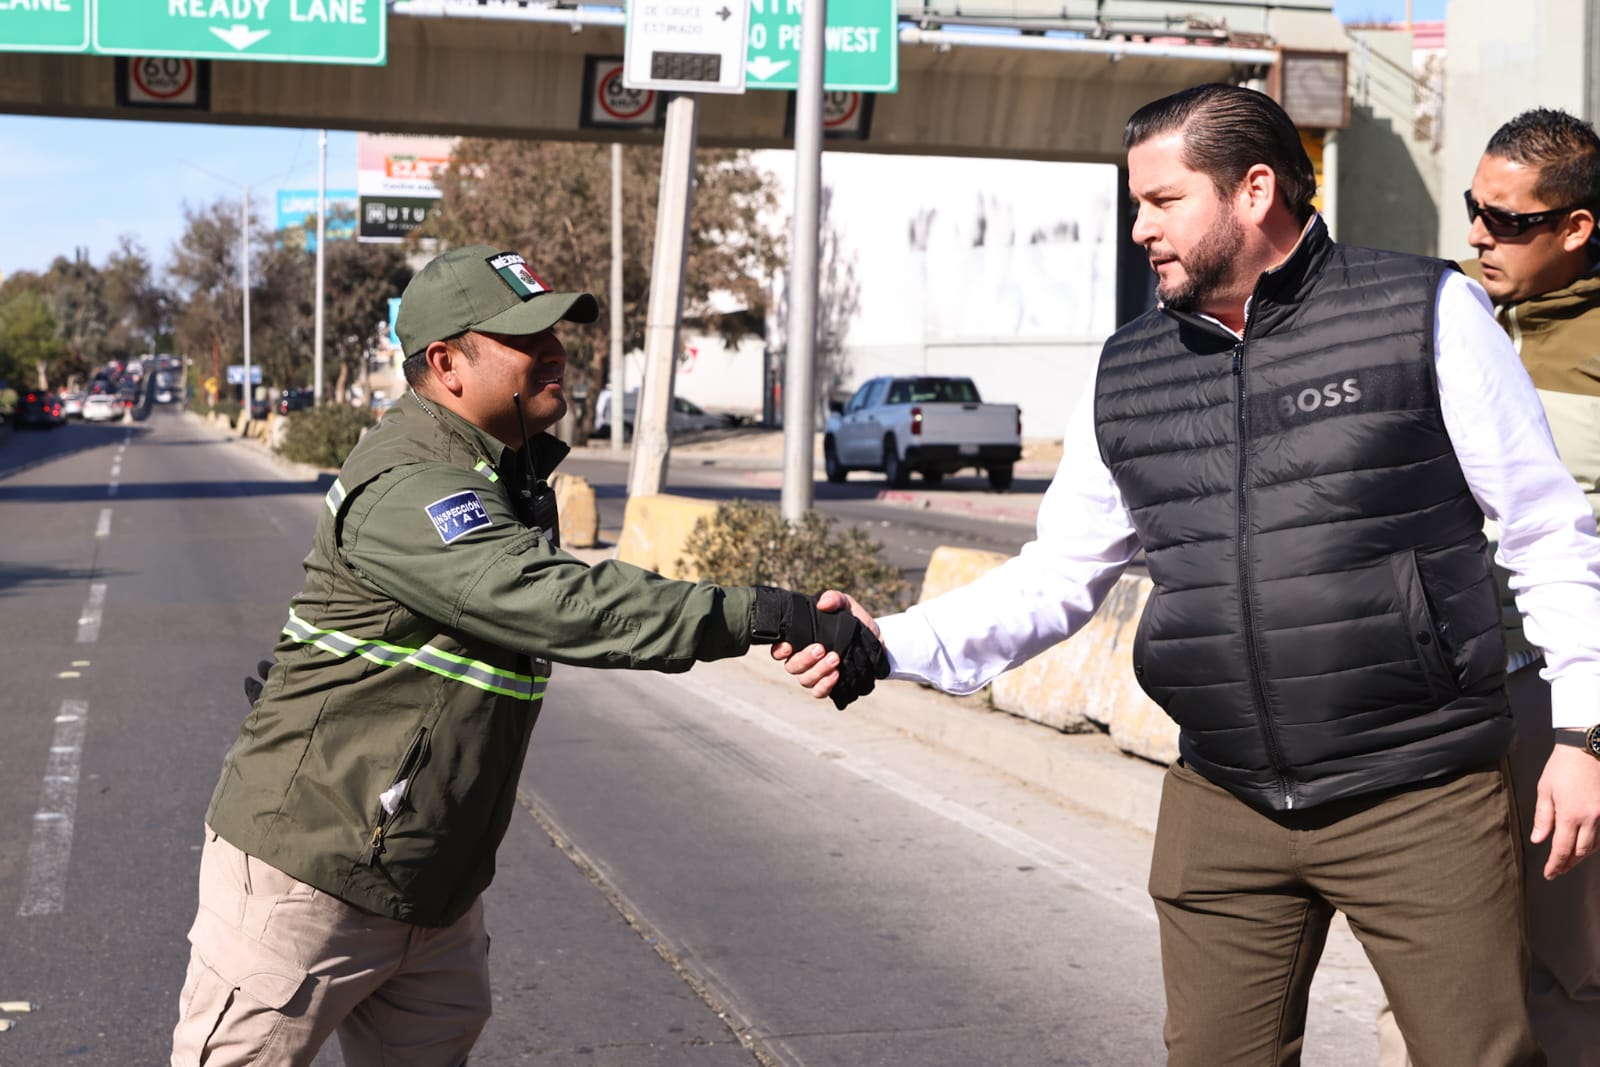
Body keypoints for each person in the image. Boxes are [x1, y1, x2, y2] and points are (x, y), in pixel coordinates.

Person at [779, 84, 1600, 1066]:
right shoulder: (1128, 368)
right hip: (1222, 799)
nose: (1139, 229)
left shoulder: (1422, 309)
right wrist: (890, 642)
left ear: (1254, 191)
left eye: (1162, 202)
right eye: (1136, 204)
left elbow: (1544, 528)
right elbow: (1059, 576)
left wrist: (1581, 730)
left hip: (1416, 788)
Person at [169, 243, 888, 1066]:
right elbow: (565, 603)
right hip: (310, 881)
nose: (555, 350)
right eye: (525, 336)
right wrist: (768, 613)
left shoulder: (500, 474)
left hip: (429, 891)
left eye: (556, 330)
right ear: (446, 363)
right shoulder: (418, 484)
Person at [1376, 108, 1600, 1067]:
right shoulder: (1448, 316)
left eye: (1505, 219)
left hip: (1557, 695)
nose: (1475, 233)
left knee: (1570, 966)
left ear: (1576, 227)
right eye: (1475, 209)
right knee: (1429, 962)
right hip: (1436, 695)